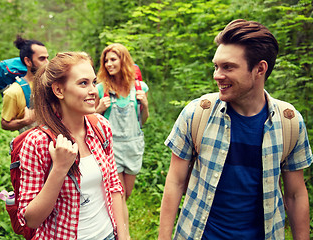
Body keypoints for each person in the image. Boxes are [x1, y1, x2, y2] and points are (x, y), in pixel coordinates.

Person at [158, 19, 312, 240]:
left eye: (228, 67)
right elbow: (175, 181)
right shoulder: (197, 114)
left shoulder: (289, 123)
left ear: (260, 68)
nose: (217, 75)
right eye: (216, 66)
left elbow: (296, 195)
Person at [17, 52, 126, 239]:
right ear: (59, 90)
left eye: (93, 82)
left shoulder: (101, 127)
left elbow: (114, 187)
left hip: (108, 234)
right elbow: (31, 220)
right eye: (83, 83)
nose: (93, 90)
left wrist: (124, 236)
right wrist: (59, 169)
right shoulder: (37, 142)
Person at [96, 43, 149, 238]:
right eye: (106, 61)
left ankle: (112, 221)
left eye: (113, 59)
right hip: (112, 147)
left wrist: (145, 105)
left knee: (125, 194)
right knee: (118, 196)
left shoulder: (139, 87)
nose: (109, 64)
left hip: (134, 146)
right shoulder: (101, 89)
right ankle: (122, 234)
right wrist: (98, 109)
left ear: (123, 60)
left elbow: (142, 120)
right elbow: (91, 120)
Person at [1, 35, 49, 133]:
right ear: (28, 61)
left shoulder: (50, 84)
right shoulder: (13, 92)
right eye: (42, 59)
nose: (47, 63)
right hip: (31, 145)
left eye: (47, 58)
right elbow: (5, 124)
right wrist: (25, 121)